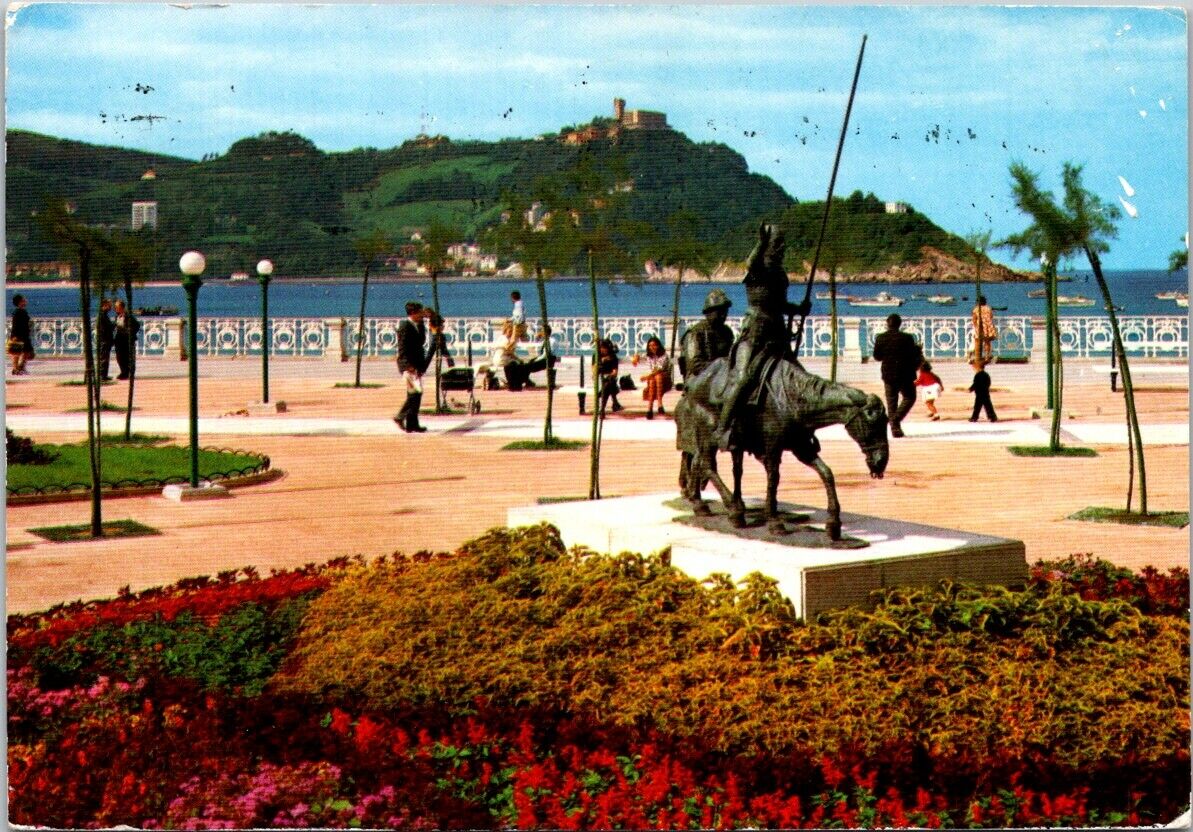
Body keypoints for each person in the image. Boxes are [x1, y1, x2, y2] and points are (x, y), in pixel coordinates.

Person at [713, 225, 810, 449]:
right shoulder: (758, 268)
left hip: (778, 333)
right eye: (777, 243)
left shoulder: (780, 273)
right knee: (745, 378)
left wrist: (798, 309)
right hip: (755, 333)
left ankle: (798, 431)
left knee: (799, 376)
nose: (781, 248)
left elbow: (780, 305)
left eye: (782, 244)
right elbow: (750, 263)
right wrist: (760, 242)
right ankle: (724, 429)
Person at [871, 313, 923, 437]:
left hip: (888, 373)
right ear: (900, 324)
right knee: (910, 397)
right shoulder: (907, 338)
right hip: (905, 373)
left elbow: (877, 357)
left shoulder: (880, 338)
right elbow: (912, 355)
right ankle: (895, 422)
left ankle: (894, 426)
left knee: (891, 401)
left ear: (887, 324)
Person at [395, 302, 437, 433]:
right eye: (420, 312)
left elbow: (422, 341)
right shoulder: (404, 326)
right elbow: (402, 348)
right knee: (416, 393)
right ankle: (400, 416)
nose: (422, 314)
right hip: (409, 366)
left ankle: (412, 424)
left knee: (414, 394)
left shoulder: (419, 325)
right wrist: (408, 366)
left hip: (417, 365)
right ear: (413, 313)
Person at [678, 288, 734, 380]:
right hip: (699, 380)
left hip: (722, 377)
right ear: (708, 313)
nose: (723, 315)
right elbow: (695, 366)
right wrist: (721, 366)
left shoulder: (727, 332)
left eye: (725, 312)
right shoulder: (695, 333)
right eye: (719, 312)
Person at [504, 325, 559, 391]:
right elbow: (539, 353)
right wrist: (537, 339)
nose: (540, 333)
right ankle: (521, 382)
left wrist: (535, 360)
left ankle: (518, 382)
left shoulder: (551, 341)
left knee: (526, 366)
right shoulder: (545, 341)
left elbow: (545, 355)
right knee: (524, 365)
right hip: (544, 359)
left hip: (547, 361)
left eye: (541, 331)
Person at [634, 336, 672, 419]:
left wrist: (646, 377)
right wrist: (636, 357)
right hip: (653, 379)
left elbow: (659, 369)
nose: (652, 347)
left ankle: (659, 402)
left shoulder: (664, 355)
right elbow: (638, 357)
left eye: (654, 345)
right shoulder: (648, 356)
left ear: (658, 346)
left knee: (657, 376)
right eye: (650, 346)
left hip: (665, 379)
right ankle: (650, 408)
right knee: (652, 380)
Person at [113, 299, 140, 380]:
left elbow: (137, 325)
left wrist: (130, 333)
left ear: (122, 308)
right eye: (115, 307)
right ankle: (123, 372)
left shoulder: (129, 316)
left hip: (127, 340)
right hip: (119, 340)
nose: (116, 309)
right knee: (119, 357)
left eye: (117, 307)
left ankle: (129, 373)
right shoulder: (117, 316)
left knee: (128, 357)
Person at [8, 294, 34, 376]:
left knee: (27, 352)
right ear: (20, 302)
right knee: (16, 353)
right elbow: (15, 325)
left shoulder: (23, 311)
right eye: (24, 300)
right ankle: (16, 369)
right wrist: (14, 336)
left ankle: (21, 367)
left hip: (25, 335)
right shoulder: (17, 312)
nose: (26, 301)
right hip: (18, 335)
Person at [596, 337, 622, 415]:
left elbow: (615, 373)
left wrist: (608, 375)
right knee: (609, 385)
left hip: (610, 378)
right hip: (600, 379)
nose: (602, 350)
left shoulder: (613, 357)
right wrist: (601, 362)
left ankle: (602, 409)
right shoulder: (597, 356)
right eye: (601, 348)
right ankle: (615, 403)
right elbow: (594, 371)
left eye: (604, 348)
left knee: (608, 383)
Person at [971, 295, 997, 364]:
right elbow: (991, 316)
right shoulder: (988, 308)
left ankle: (978, 357)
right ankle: (987, 357)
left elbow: (974, 319)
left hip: (980, 326)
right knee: (987, 342)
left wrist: (975, 326)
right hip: (988, 326)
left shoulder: (976, 309)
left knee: (978, 342)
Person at [97, 298, 115, 381]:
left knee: (105, 358)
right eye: (109, 306)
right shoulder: (102, 316)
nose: (110, 308)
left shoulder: (104, 315)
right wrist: (114, 325)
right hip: (104, 340)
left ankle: (104, 375)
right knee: (104, 358)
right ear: (104, 306)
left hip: (106, 340)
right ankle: (102, 375)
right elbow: (106, 328)